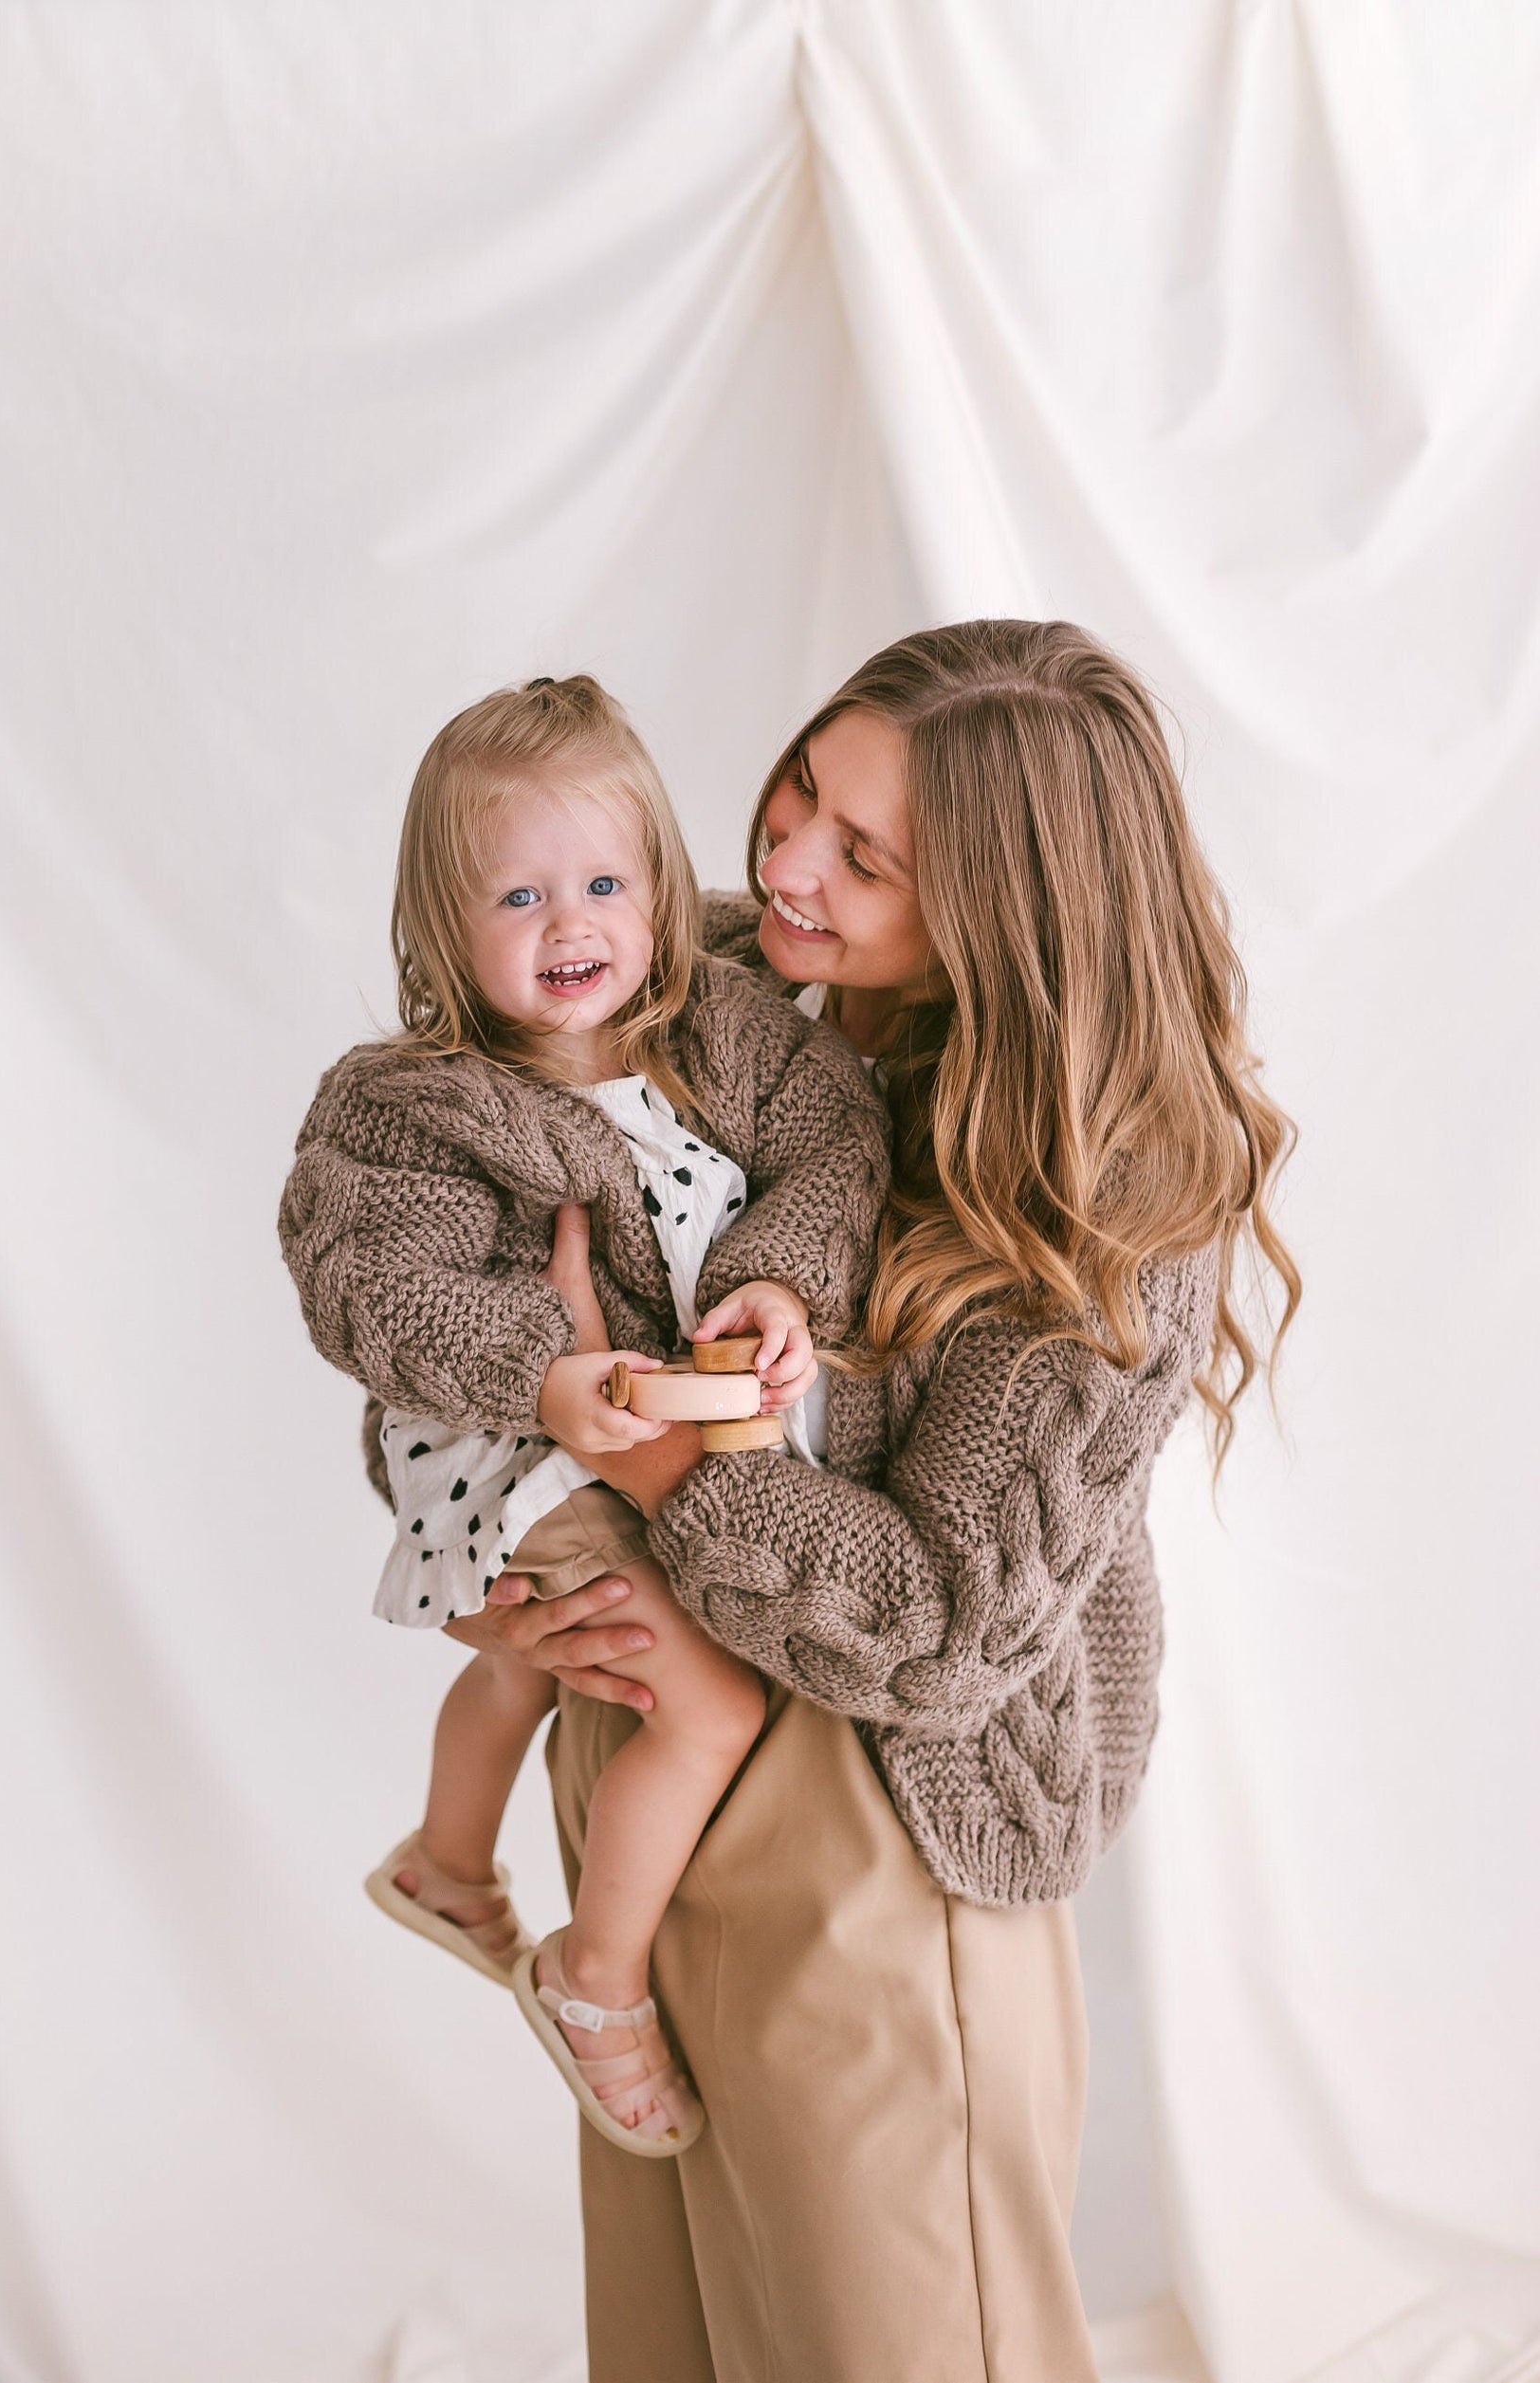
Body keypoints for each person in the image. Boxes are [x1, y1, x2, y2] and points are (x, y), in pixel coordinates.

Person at [446, 622, 1299, 2382]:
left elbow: (937, 1631)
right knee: (675, 2349)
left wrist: (640, 1446)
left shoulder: (1109, 1199)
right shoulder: (702, 976)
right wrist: (489, 1525)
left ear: (1007, 914)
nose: (782, 867)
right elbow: (436, 1193)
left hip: (883, 1823)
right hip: (639, 1744)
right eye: (798, 794)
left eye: (863, 854)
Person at [277, 674, 889, 2156]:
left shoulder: (722, 1032)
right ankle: (595, 1977)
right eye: (520, 894)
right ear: (442, 925)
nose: (572, 923)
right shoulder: (413, 1102)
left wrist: (777, 1283)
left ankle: (444, 1864)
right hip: (512, 1445)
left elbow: (840, 1146)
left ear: (664, 889)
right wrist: (543, 1373)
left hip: (654, 1424)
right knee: (704, 1697)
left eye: (606, 884)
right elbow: (368, 1285)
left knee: (541, 1662)